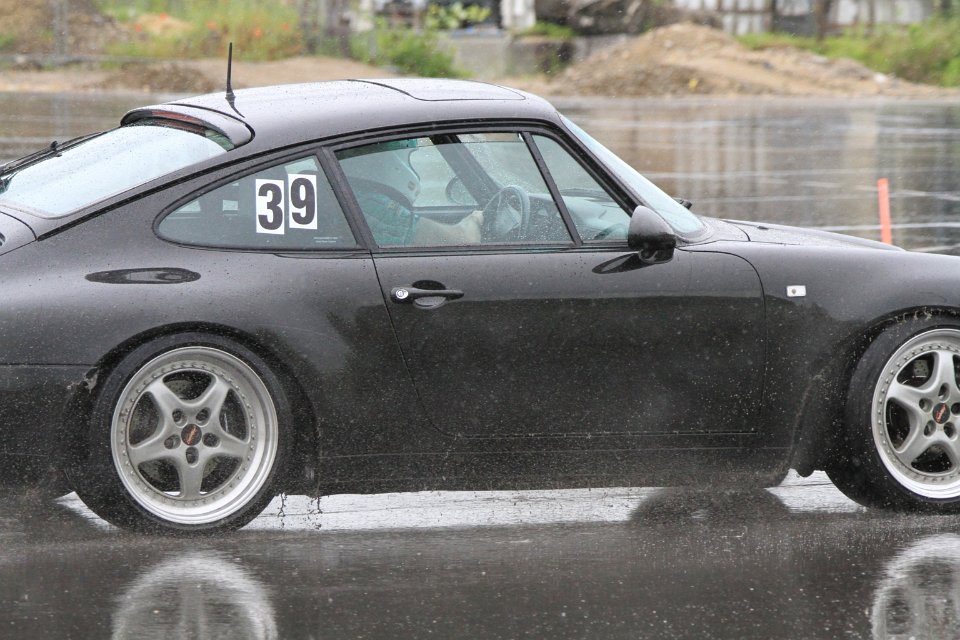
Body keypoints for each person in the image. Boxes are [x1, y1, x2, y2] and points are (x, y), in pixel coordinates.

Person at [338, 139, 484, 246]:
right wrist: (475, 220)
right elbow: (462, 242)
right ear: (385, 158)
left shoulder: (348, 196)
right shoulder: (368, 206)